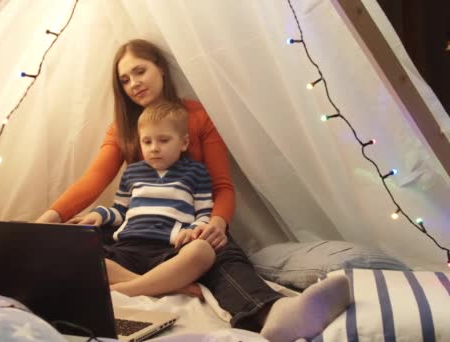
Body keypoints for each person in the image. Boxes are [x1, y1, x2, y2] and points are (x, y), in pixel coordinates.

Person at [37, 39, 352, 341]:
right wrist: (50, 219)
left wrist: (215, 223)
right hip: (133, 237)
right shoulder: (123, 128)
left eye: (140, 71)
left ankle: (273, 313)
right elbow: (93, 181)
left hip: (182, 235)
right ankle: (151, 285)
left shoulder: (197, 117)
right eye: (124, 79)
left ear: (161, 68)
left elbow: (222, 187)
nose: (134, 83)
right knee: (73, 243)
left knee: (218, 249)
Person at [78, 100, 216, 298]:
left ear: (184, 142)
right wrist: (100, 214)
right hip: (127, 247)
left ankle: (127, 288)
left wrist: (192, 230)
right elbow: (121, 211)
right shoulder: (133, 172)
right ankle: (164, 286)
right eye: (147, 142)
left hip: (167, 251)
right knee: (81, 254)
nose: (154, 148)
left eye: (164, 140)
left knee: (203, 251)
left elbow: (204, 214)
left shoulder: (196, 171)